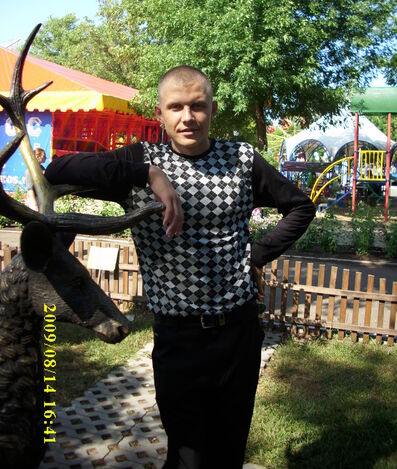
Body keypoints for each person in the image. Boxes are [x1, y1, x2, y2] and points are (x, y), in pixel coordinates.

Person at [45, 65, 315, 469]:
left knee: (228, 452)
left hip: (238, 333)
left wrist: (255, 255)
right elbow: (58, 169)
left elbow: (300, 207)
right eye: (176, 107)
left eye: (198, 106)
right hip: (178, 337)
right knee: (187, 454)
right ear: (160, 113)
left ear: (213, 109)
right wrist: (148, 174)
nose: (188, 117)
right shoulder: (140, 160)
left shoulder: (241, 160)